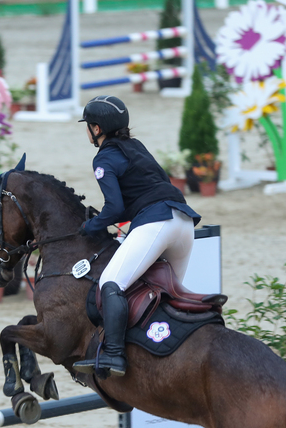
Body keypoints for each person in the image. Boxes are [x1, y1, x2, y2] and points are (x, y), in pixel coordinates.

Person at [71, 95, 201, 378]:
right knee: (168, 295)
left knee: (111, 282)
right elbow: (158, 184)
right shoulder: (137, 147)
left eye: (88, 126)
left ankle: (113, 355)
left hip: (158, 223)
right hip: (183, 222)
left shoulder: (103, 158)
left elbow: (114, 208)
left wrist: (91, 226)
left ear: (96, 129)